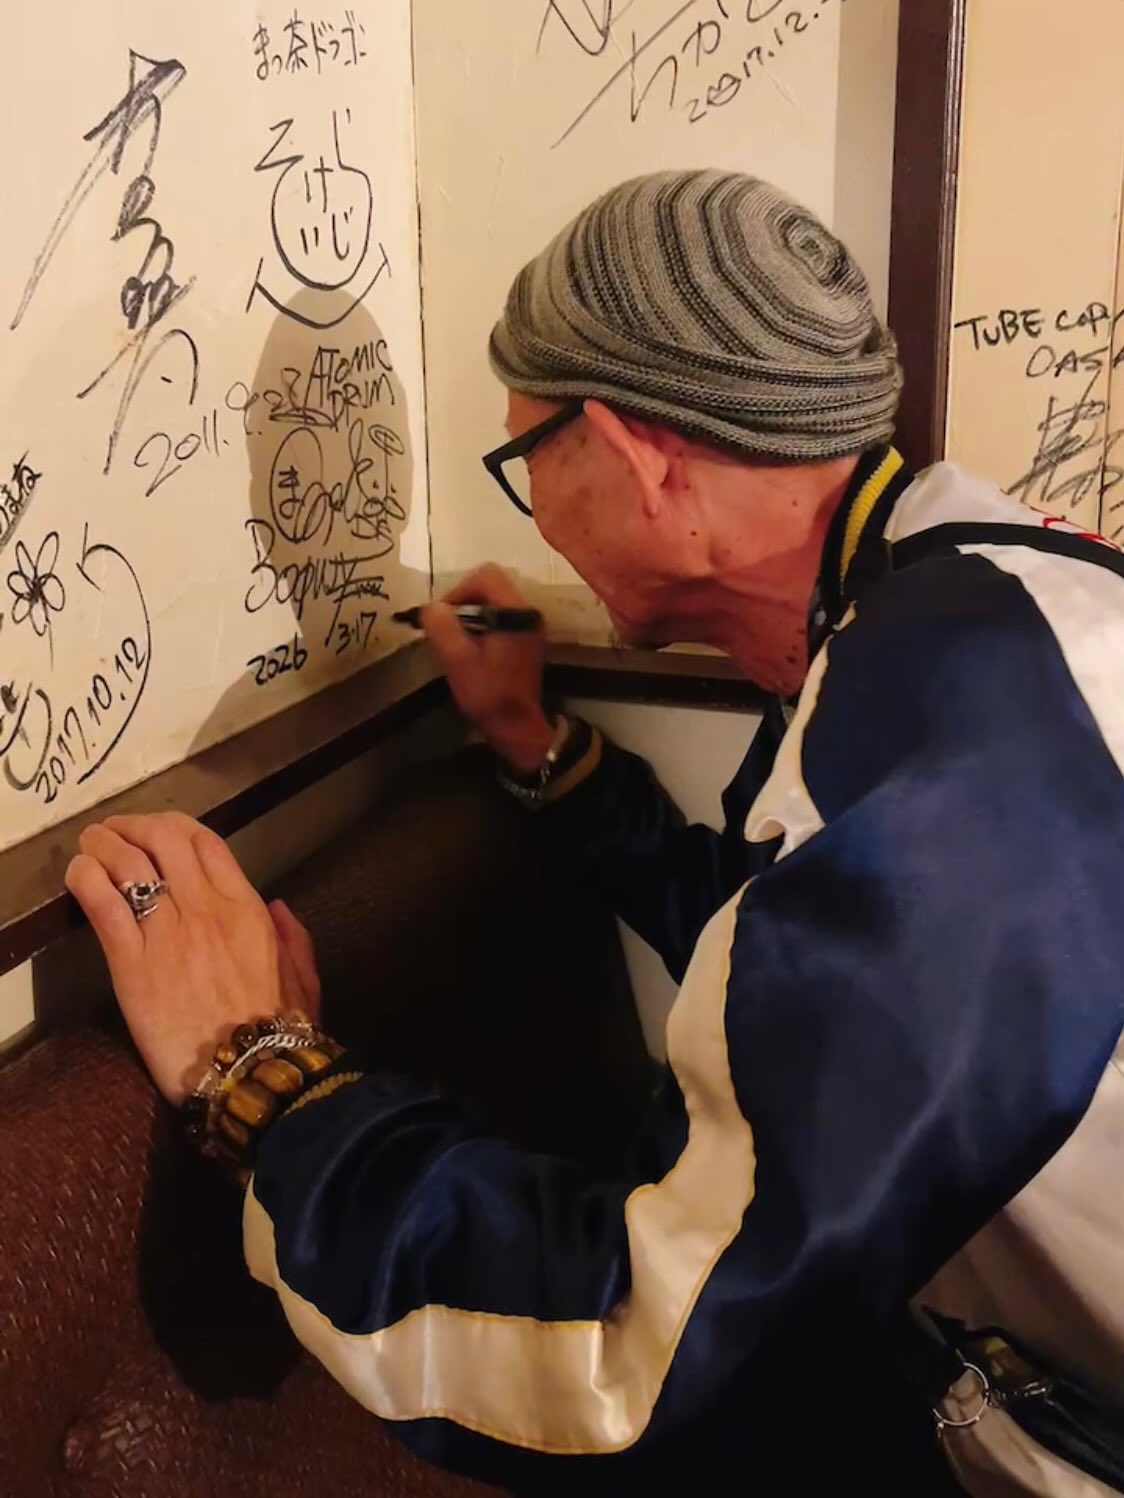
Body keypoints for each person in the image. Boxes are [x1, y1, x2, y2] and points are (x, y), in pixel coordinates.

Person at [66, 172, 1124, 1497]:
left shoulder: (964, 743)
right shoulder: (979, 607)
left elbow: (643, 1347)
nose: (530, 509)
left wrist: (259, 1075)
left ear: (633, 457)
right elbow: (810, 981)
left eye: (523, 460)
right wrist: (536, 745)